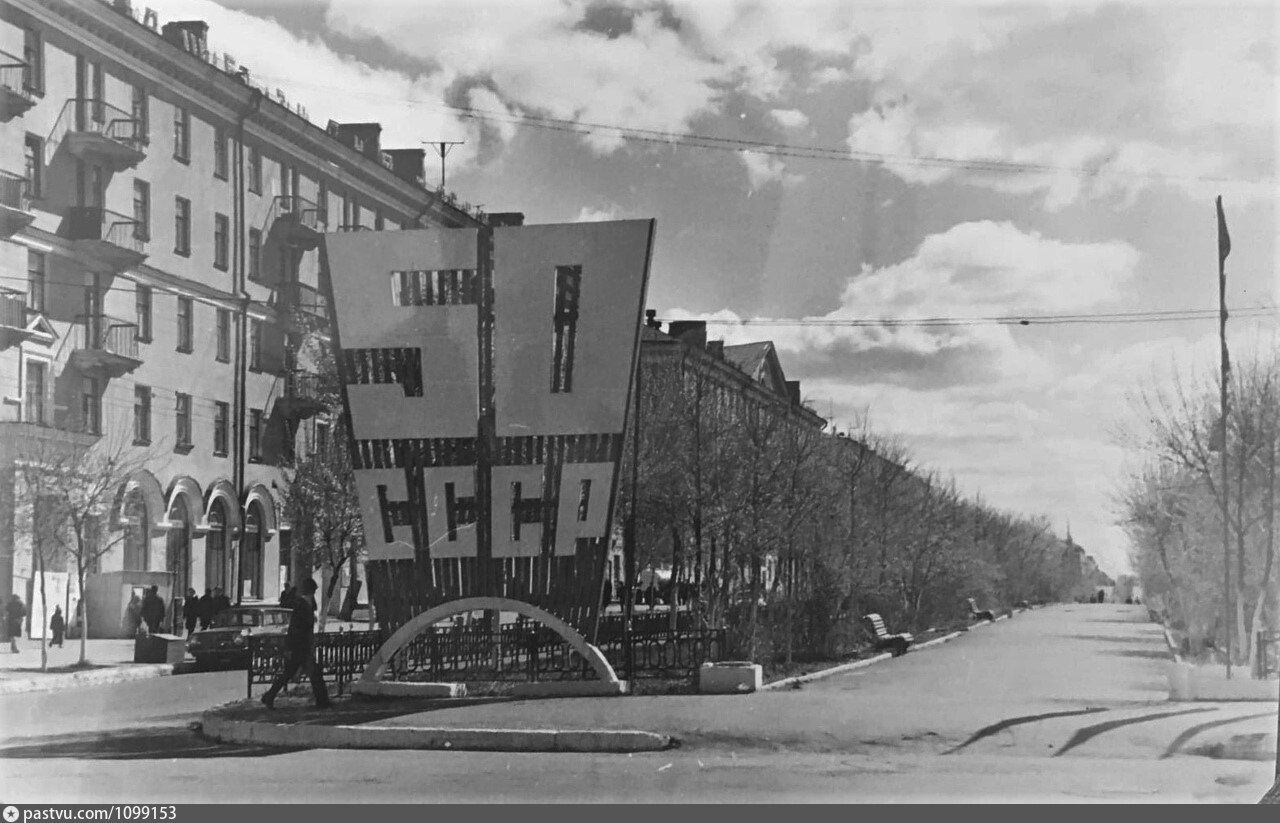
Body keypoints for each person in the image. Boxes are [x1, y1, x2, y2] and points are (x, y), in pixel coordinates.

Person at [260, 578, 330, 709]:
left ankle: (269, 696)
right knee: (313, 673)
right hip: (301, 647)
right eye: (314, 591)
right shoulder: (302, 605)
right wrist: (292, 647)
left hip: (301, 646)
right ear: (311, 591)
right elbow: (295, 629)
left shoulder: (306, 604)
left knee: (290, 673)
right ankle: (322, 701)